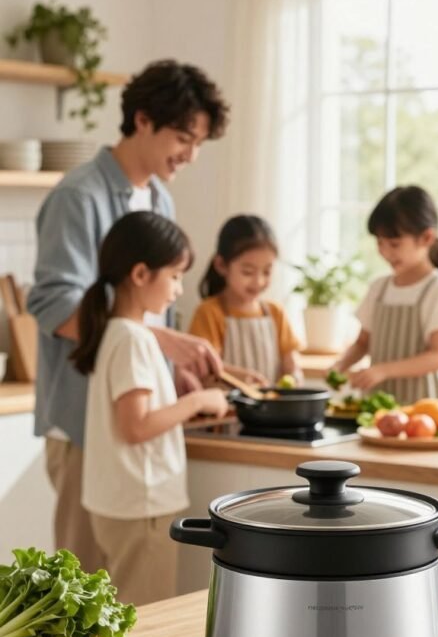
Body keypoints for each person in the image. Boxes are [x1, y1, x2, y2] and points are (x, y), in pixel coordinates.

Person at [28, 59, 230, 572]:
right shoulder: (79, 196)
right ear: (142, 120)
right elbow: (54, 305)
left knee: (126, 603)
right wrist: (163, 344)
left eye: (200, 143)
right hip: (82, 425)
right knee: (78, 596)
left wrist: (174, 370)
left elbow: (150, 307)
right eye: (184, 137)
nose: (191, 154)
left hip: (133, 420)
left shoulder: (159, 197)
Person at [70, 211, 228, 605]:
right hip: (142, 507)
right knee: (142, 622)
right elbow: (135, 426)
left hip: (120, 503)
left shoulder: (117, 331)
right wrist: (198, 401)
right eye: (174, 276)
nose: (178, 290)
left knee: (118, 618)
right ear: (140, 274)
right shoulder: (133, 339)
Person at [332, 186, 438, 404]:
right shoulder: (379, 288)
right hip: (381, 404)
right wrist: (340, 365)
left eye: (394, 244)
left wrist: (383, 371)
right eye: (380, 243)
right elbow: (362, 343)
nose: (385, 252)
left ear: (426, 237)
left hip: (427, 407)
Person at [190, 215, 303, 386]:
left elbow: (291, 362)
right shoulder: (209, 312)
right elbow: (205, 369)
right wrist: (240, 378)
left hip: (270, 410)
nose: (258, 282)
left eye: (267, 272)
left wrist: (294, 376)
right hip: (224, 410)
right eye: (248, 272)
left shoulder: (275, 313)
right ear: (221, 265)